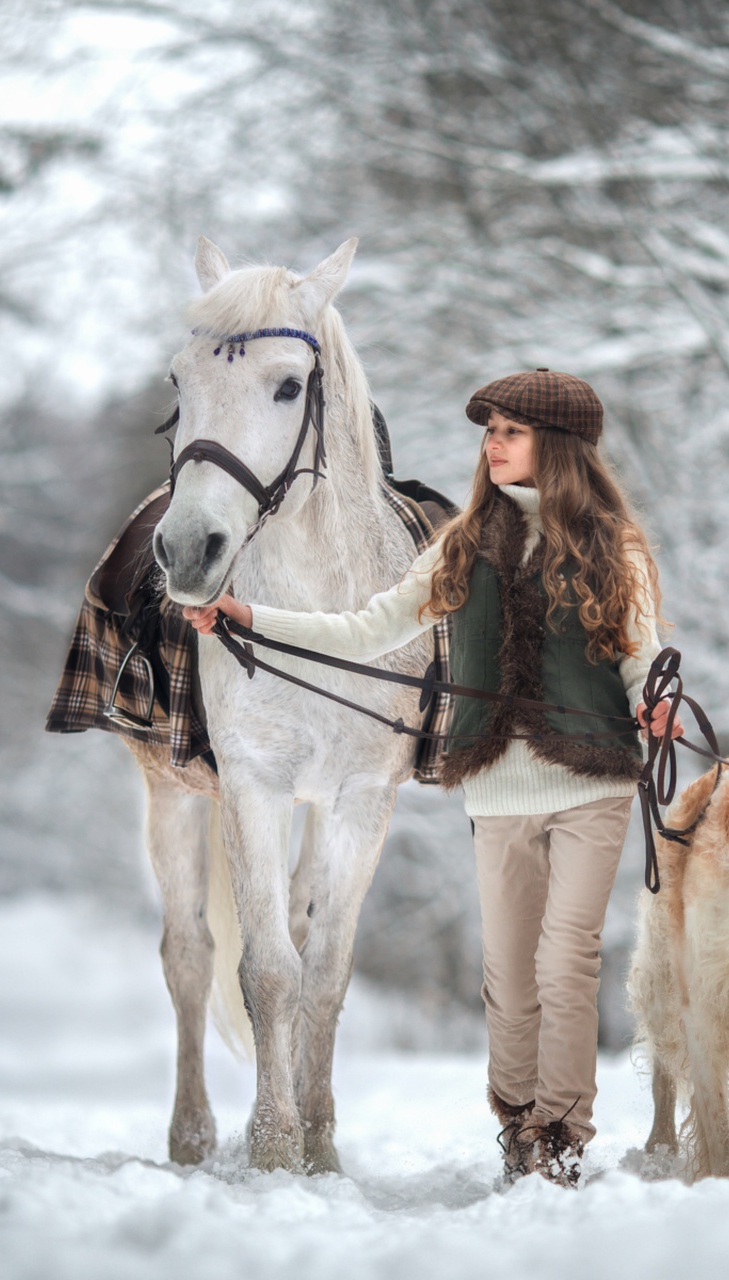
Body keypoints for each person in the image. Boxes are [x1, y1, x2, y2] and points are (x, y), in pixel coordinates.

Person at [183, 368, 678, 1187]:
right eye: (490, 431)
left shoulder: (611, 544)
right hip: (497, 786)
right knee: (508, 974)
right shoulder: (461, 544)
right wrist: (248, 618)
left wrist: (655, 701)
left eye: (511, 432)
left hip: (591, 782)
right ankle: (518, 1124)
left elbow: (640, 651)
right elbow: (365, 628)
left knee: (565, 962)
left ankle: (562, 1134)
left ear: (556, 448)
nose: (493, 444)